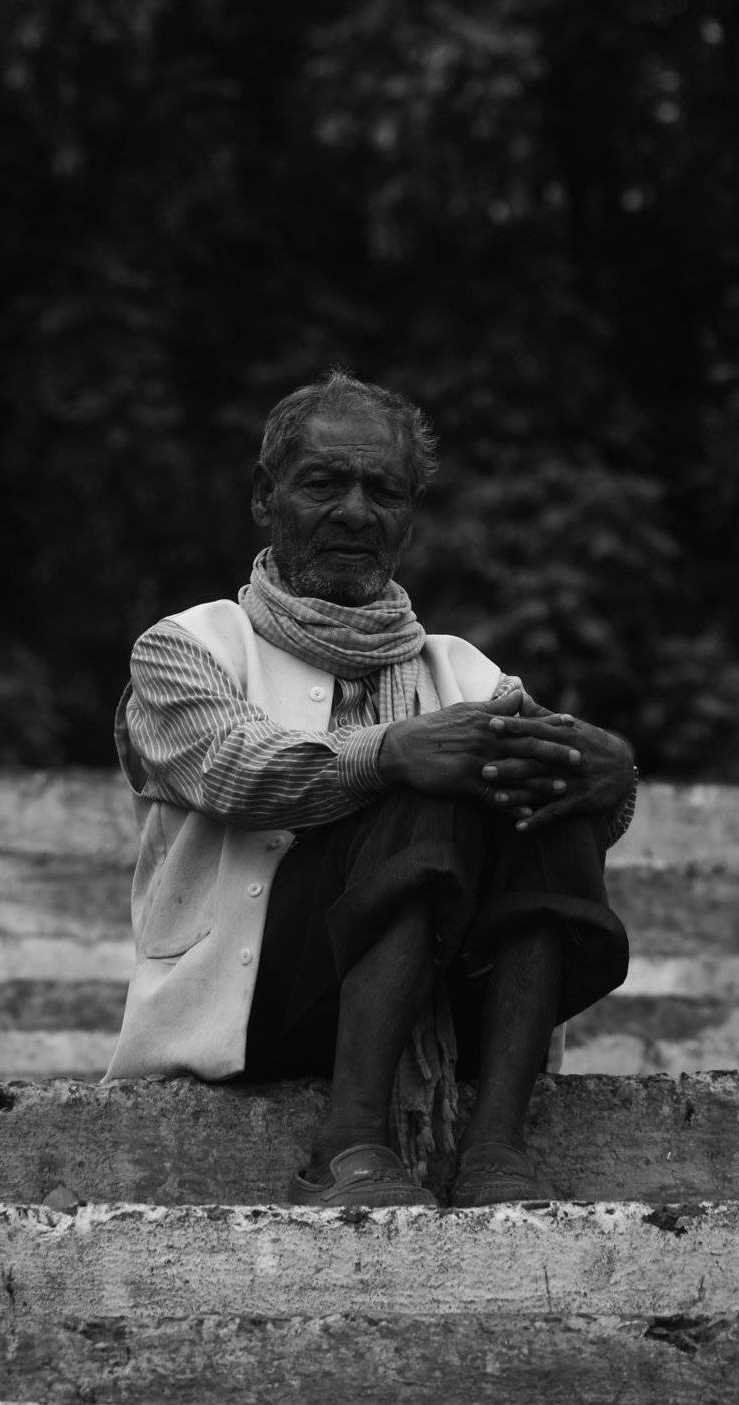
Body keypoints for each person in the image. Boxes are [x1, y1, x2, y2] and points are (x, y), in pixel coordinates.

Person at [106, 370, 636, 1207]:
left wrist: (608, 779)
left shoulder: (461, 668)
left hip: (442, 1007)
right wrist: (389, 754)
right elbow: (232, 768)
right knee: (430, 783)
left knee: (536, 778)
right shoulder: (187, 646)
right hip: (249, 1003)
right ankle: (346, 1142)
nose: (355, 512)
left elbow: (549, 839)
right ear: (265, 497)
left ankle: (496, 1146)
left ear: (408, 517)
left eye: (382, 492)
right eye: (324, 483)